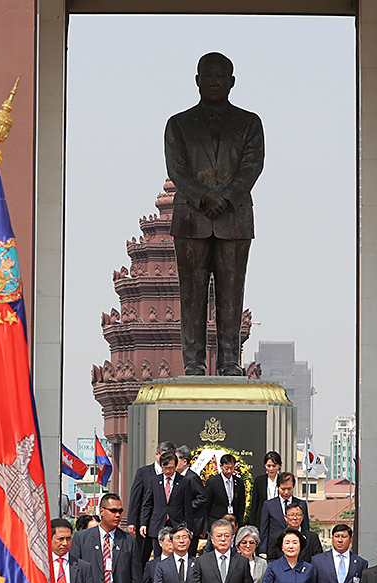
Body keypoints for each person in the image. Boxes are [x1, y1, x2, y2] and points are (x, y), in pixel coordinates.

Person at [164, 51, 265, 376]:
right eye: (207, 76)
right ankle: (193, 362)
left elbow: (252, 165)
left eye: (220, 77)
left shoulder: (249, 123)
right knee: (191, 295)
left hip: (234, 219)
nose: (213, 82)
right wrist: (205, 196)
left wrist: (227, 197)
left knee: (231, 295)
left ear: (231, 82)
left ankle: (228, 362)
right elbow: (177, 169)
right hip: (192, 218)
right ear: (197, 81)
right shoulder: (178, 124)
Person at [140, 452, 196, 559]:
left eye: (171, 468)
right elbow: (147, 504)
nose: (168, 471)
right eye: (165, 468)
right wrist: (144, 523)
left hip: (177, 523)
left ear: (175, 466)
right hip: (158, 523)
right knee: (158, 556)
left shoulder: (184, 481)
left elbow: (187, 507)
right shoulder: (154, 481)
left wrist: (189, 527)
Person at [127, 442, 175, 564]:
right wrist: (132, 521)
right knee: (142, 555)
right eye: (164, 456)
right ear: (157, 455)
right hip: (147, 523)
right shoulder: (144, 472)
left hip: (167, 522)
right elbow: (136, 498)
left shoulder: (176, 476)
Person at [259, 471, 308, 557]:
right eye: (283, 489)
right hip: (275, 550)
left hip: (296, 550)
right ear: (278, 487)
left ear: (294, 487)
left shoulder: (301, 504)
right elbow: (264, 530)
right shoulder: (269, 505)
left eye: (289, 489)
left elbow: (305, 527)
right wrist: (263, 551)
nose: (286, 492)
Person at [203, 454, 246, 529]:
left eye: (231, 468)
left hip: (233, 521)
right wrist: (206, 524)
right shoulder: (212, 482)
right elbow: (207, 505)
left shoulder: (239, 482)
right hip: (216, 521)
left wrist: (239, 521)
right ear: (221, 466)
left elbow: (241, 503)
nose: (229, 471)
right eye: (226, 468)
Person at [247, 451, 282, 529]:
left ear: (279, 466)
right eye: (268, 466)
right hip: (262, 518)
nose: (271, 469)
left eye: (274, 466)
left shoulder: (282, 480)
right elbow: (255, 504)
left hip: (279, 518)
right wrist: (252, 524)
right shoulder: (259, 480)